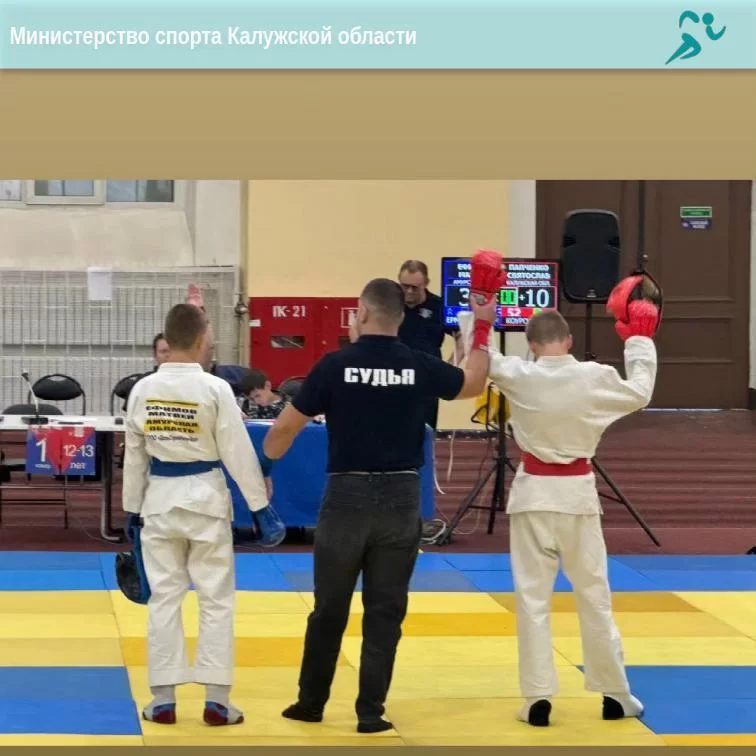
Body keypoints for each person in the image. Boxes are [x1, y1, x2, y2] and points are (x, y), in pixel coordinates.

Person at [263, 276, 497, 734]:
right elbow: (472, 384)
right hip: (400, 498)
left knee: (329, 608)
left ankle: (311, 703)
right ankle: (370, 712)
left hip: (346, 498)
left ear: (363, 313)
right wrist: (483, 328)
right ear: (401, 317)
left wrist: (264, 467)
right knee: (385, 610)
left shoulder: (334, 365)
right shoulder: (419, 364)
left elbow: (284, 429)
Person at [457, 283, 660, 728]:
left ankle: (537, 698)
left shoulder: (517, 373)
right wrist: (639, 338)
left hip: (532, 495)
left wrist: (479, 316)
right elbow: (641, 392)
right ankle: (615, 693)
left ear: (531, 345)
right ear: (568, 340)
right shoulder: (594, 376)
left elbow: (478, 361)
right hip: (577, 498)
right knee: (594, 596)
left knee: (532, 599)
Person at [122, 303, 286, 727]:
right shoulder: (214, 389)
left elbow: (135, 458)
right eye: (210, 334)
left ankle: (162, 700)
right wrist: (260, 508)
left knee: (164, 598)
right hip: (206, 503)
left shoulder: (143, 389)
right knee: (216, 599)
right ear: (199, 340)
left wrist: (131, 510)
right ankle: (217, 701)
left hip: (159, 502)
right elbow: (237, 452)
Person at [396, 260, 449, 545]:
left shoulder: (440, 306)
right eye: (404, 286)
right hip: (394, 384)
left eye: (414, 288)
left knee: (422, 446)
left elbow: (463, 337)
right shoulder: (391, 303)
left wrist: (451, 368)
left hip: (426, 385)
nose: (408, 292)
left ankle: (421, 513)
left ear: (426, 284)